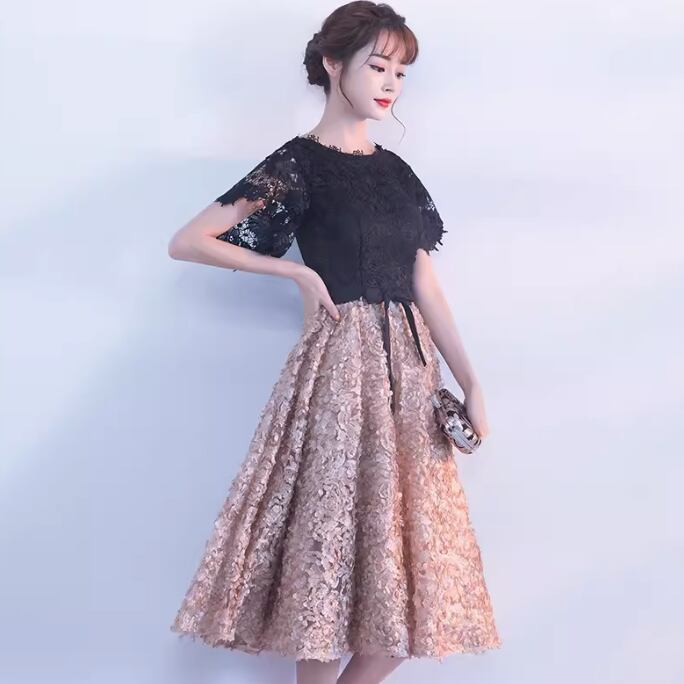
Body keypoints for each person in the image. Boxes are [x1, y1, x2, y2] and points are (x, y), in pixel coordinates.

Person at [167, 2, 502, 683]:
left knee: (416, 595)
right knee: (328, 575)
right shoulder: (298, 164)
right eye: (378, 66)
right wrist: (294, 271)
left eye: (401, 72)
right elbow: (190, 240)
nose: (390, 83)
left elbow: (425, 284)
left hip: (409, 375)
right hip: (341, 370)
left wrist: (471, 381)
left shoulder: (396, 172)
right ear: (332, 64)